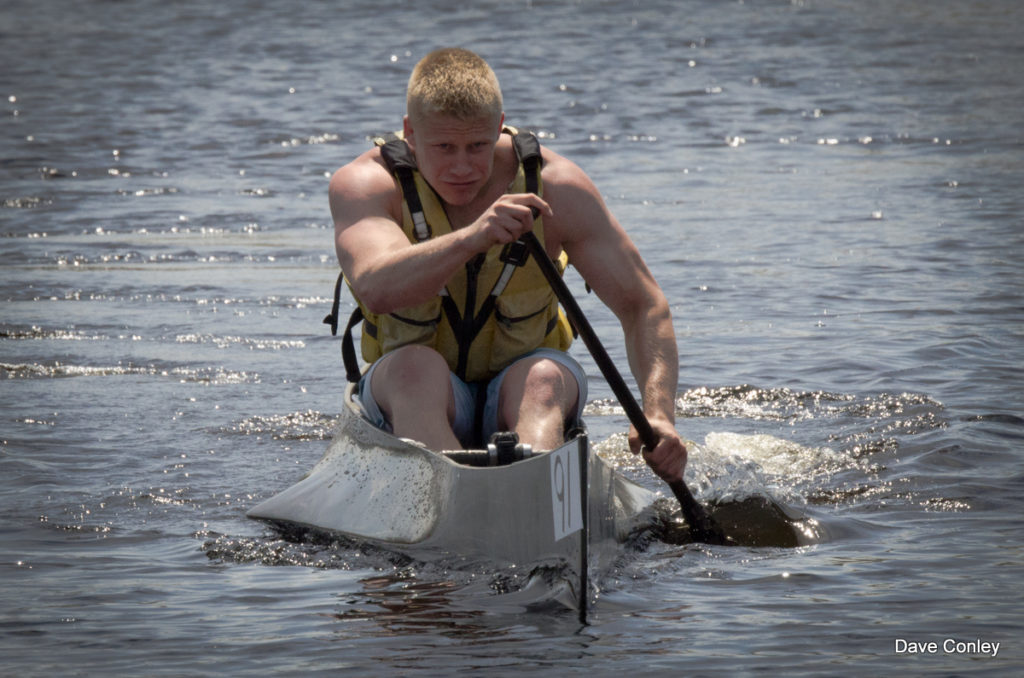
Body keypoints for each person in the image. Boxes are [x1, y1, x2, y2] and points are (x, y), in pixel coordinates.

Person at [328, 47, 688, 484]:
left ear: (499, 127)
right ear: (410, 134)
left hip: (522, 386)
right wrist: (473, 237)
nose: (462, 166)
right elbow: (376, 286)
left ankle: (530, 488)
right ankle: (450, 494)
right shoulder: (366, 184)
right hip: (412, 390)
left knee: (543, 377)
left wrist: (659, 415)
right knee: (414, 370)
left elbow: (644, 306)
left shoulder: (558, 187)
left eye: (478, 145)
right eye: (444, 147)